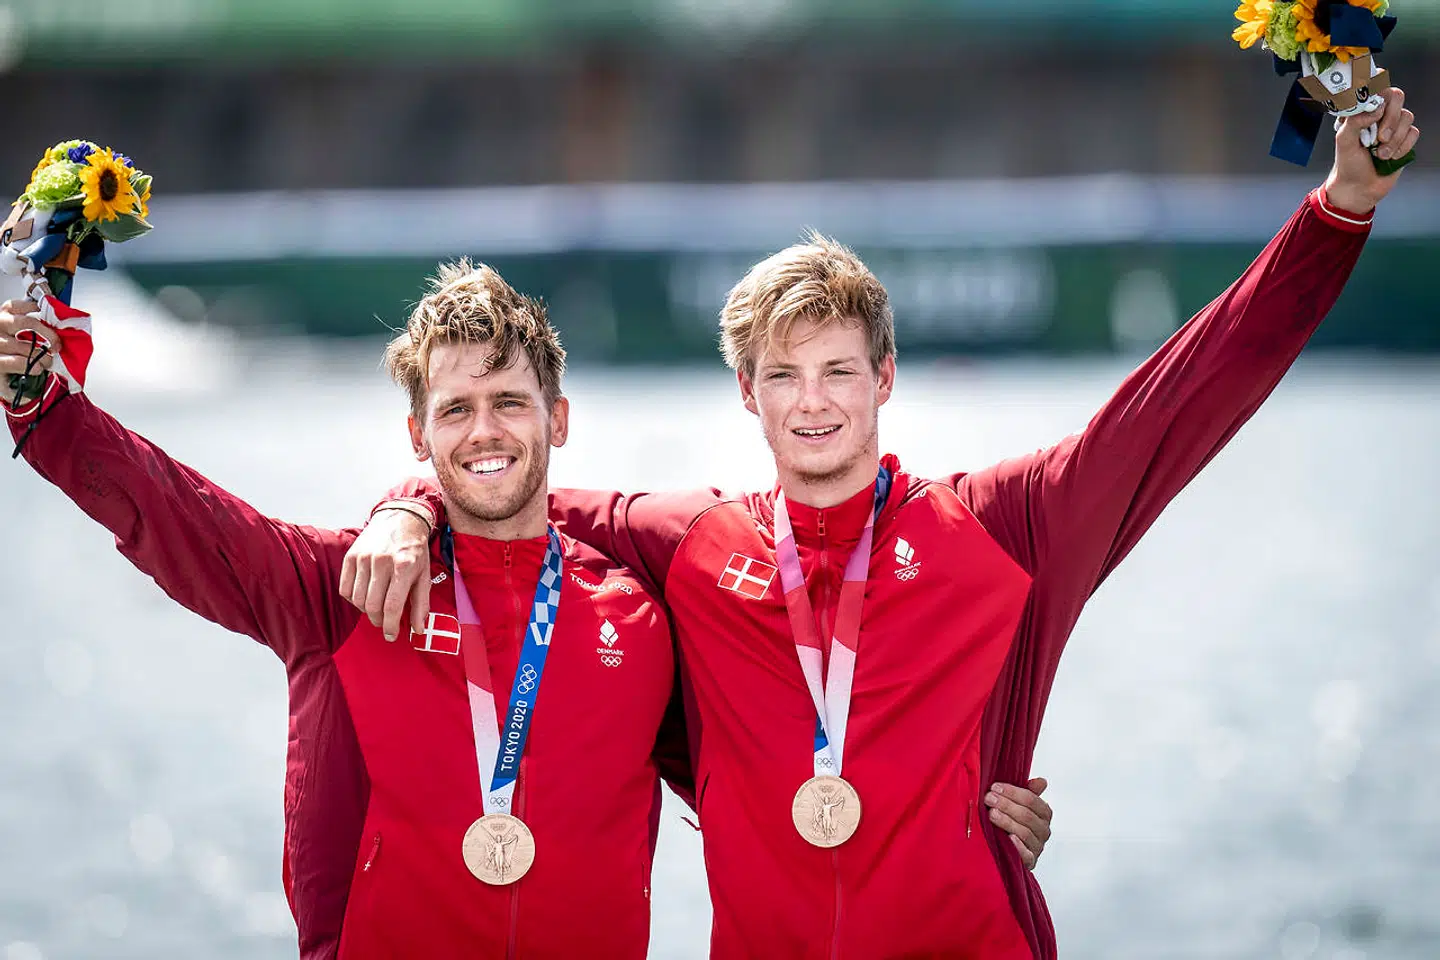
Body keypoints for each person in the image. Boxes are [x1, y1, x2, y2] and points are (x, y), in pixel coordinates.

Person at [347, 94, 1421, 958]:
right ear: (747, 396)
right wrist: (404, 507)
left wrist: (1338, 212)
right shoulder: (688, 545)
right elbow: (497, 483)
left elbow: (1187, 396)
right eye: (784, 377)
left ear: (886, 379)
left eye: (838, 373)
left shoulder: (1004, 526)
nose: (813, 403)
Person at [0, 260, 1056, 958]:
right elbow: (178, 521)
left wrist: (971, 805)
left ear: (557, 417)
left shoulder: (640, 613)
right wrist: (49, 412)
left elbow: (778, 743)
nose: (484, 430)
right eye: (454, 409)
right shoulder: (341, 592)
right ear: (419, 436)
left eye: (508, 402)